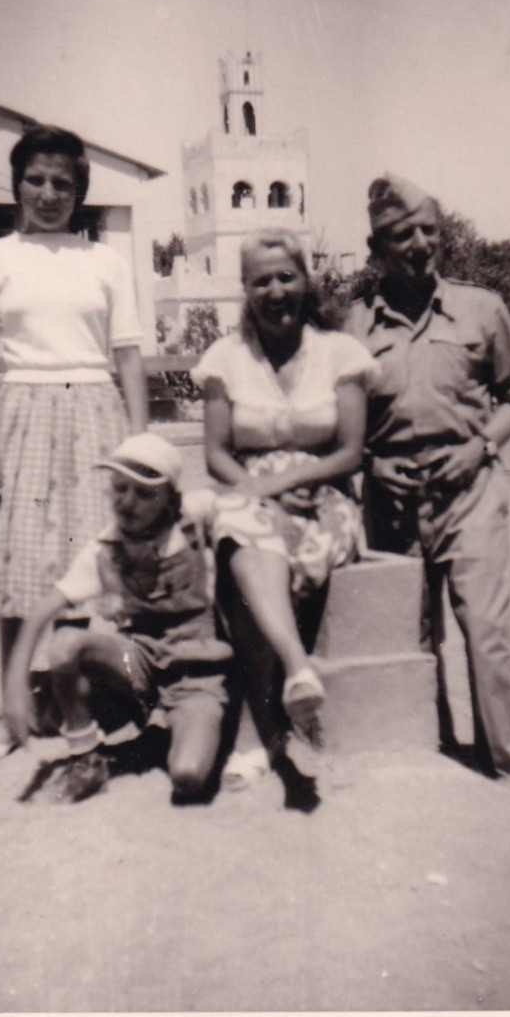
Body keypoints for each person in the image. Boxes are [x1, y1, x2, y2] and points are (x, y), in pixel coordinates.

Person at [344, 174, 510, 803]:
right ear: (376, 247)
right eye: (403, 235)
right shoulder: (353, 327)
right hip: (391, 497)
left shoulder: (481, 309)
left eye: (430, 231)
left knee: (487, 632)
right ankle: (427, 770)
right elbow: (338, 425)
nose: (420, 245)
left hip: (470, 490)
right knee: (410, 638)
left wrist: (481, 445)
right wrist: (371, 465)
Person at [0, 124, 149, 766]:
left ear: (81, 193)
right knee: (17, 566)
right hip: (20, 412)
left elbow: (127, 356)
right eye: (36, 180)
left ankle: (73, 704)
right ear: (17, 184)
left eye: (62, 184)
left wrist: (140, 441)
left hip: (95, 410)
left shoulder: (105, 262)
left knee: (82, 565)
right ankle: (11, 710)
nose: (48, 193)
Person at [191, 229, 378, 812]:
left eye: (285, 277)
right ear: (245, 290)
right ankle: (296, 673)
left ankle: (259, 733)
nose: (276, 291)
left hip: (324, 496)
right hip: (250, 491)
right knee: (243, 536)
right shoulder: (225, 358)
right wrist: (260, 491)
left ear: (305, 280)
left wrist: (289, 485)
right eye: (261, 281)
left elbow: (350, 451)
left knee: (247, 554)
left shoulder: (339, 353)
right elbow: (216, 453)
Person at [2, 433, 232, 805]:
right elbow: (42, 613)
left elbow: (246, 499)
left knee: (188, 777)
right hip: (138, 664)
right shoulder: (105, 549)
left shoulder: (197, 517)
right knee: (65, 645)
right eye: (119, 489)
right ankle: (86, 757)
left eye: (143, 493)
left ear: (171, 499)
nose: (127, 502)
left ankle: (182, 725)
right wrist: (13, 686)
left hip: (198, 674)